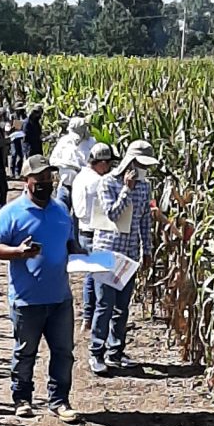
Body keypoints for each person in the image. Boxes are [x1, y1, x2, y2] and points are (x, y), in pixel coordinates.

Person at [0, 151, 77, 421]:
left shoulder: (61, 210)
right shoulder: (11, 213)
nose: (45, 182)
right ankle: (22, 399)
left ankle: (60, 401)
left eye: (48, 177)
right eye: (38, 178)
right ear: (26, 180)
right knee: (25, 352)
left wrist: (89, 257)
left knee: (63, 352)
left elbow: (70, 243)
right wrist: (18, 252)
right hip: (27, 299)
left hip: (60, 296)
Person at [90, 140, 155, 373]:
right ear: (130, 162)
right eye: (140, 164)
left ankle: (115, 351)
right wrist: (126, 189)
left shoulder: (145, 187)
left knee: (122, 307)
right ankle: (96, 352)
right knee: (104, 304)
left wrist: (147, 250)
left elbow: (145, 220)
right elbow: (113, 214)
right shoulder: (108, 182)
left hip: (129, 253)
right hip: (106, 251)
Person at [70, 140, 132, 344]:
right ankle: (90, 319)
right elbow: (113, 213)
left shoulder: (80, 176)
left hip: (83, 228)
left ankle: (88, 318)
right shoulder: (99, 181)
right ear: (102, 163)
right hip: (97, 233)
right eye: (109, 164)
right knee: (96, 282)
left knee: (91, 276)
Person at [48, 112, 97, 211]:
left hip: (84, 187)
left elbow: (95, 163)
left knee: (78, 217)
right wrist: (70, 165)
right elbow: (53, 160)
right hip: (66, 185)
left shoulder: (91, 142)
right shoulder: (64, 141)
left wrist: (83, 168)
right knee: (61, 213)